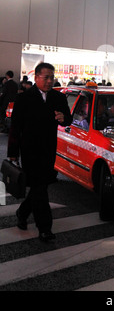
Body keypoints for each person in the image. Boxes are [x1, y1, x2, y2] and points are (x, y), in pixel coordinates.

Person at [7, 63, 72, 242]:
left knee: (39, 185)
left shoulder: (58, 97)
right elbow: (15, 127)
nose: (50, 81)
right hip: (28, 150)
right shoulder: (24, 98)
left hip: (49, 149)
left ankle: (22, 212)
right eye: (46, 77)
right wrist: (13, 153)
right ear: (36, 77)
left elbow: (68, 119)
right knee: (40, 187)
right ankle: (45, 228)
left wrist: (64, 118)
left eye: (52, 77)